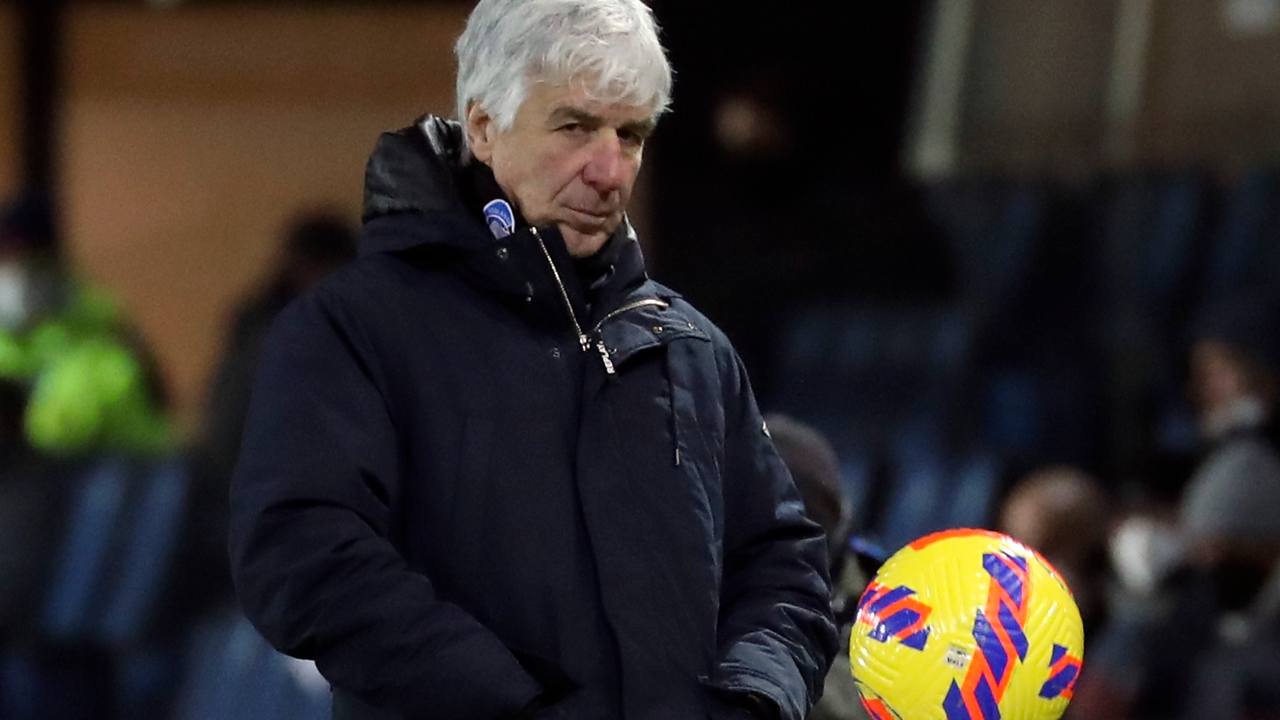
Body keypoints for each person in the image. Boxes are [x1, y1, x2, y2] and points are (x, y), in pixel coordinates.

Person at [228, 2, 837, 719]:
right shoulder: (355, 332)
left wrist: (756, 700)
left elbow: (783, 568)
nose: (609, 171)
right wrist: (509, 703)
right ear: (484, 126)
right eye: (576, 126)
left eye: (631, 134)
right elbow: (301, 556)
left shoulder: (694, 353)